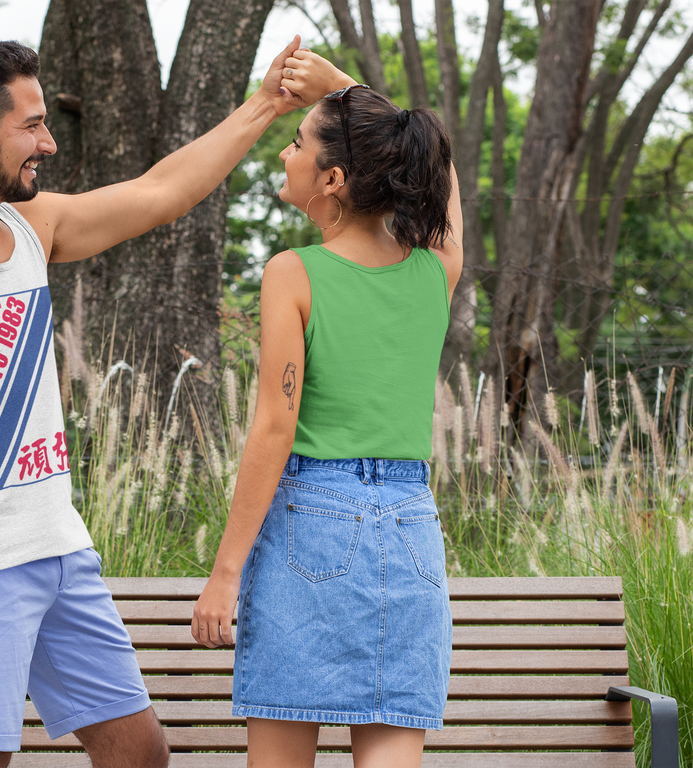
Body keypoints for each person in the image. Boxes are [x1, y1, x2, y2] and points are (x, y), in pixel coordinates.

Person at [0, 34, 334, 768]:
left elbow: (162, 193)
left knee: (139, 754)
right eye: (30, 124)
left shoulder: (32, 226)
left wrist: (264, 105)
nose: (48, 142)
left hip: (58, 548)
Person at [191, 50, 463, 768]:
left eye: (298, 144)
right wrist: (349, 90)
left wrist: (224, 574)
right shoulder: (435, 269)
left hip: (312, 522)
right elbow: (445, 189)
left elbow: (275, 427)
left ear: (333, 179)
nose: (285, 153)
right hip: (411, 530)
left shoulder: (294, 273)